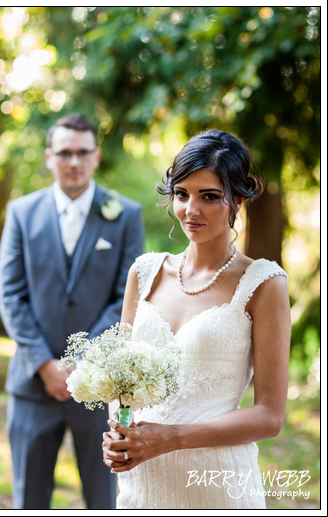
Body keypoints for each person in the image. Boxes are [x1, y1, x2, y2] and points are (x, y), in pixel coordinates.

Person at [102, 129, 291, 509]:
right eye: (182, 194)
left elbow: (269, 416)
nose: (191, 209)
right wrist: (120, 434)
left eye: (209, 196)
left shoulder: (263, 284)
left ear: (237, 200)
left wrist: (168, 438)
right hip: (142, 487)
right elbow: (117, 382)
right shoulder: (143, 273)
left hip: (216, 484)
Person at [0, 113, 144, 509]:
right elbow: (10, 294)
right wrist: (46, 365)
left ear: (96, 156)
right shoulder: (21, 213)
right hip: (32, 385)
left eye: (82, 152)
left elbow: (126, 299)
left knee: (103, 498)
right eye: (65, 153)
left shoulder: (125, 215)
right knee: (29, 499)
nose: (74, 161)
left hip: (99, 388)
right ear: (49, 157)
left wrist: (80, 363)